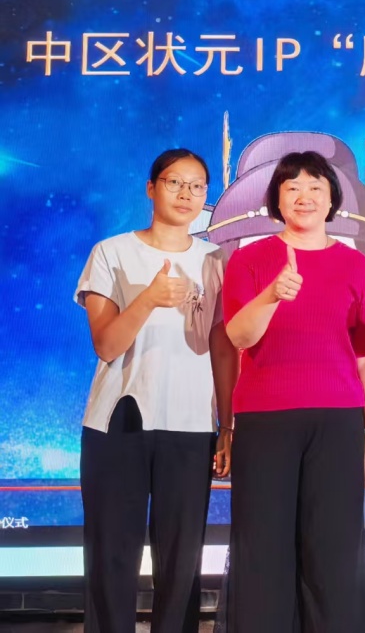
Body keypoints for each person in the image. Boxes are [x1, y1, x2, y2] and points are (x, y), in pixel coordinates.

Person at [222, 150, 365, 633]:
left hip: (338, 421)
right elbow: (238, 336)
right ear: (276, 199)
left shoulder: (357, 266)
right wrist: (272, 294)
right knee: (262, 546)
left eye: (316, 186)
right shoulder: (249, 260)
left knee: (334, 548)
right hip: (264, 420)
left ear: (333, 199)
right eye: (292, 187)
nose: (304, 196)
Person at [75, 148, 235, 633]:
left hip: (190, 425)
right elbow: (106, 345)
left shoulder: (216, 260)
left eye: (197, 186)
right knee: (111, 554)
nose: (186, 194)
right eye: (174, 182)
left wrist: (228, 424)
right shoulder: (111, 252)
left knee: (182, 560)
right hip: (117, 424)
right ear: (151, 188)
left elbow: (223, 347)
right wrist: (149, 298)